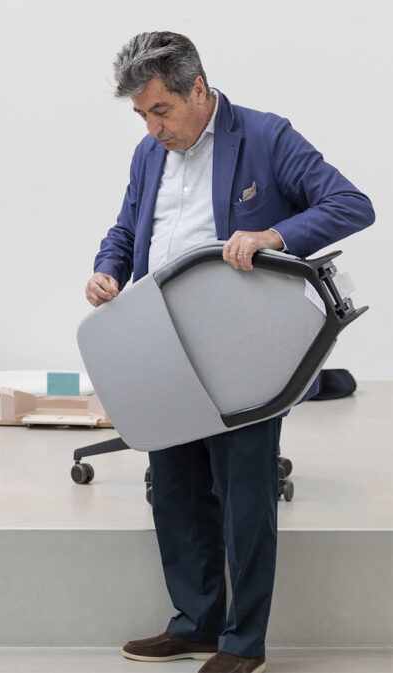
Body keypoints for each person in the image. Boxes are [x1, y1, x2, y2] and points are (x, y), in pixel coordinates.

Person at [86, 32, 374, 673]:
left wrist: (275, 233)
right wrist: (108, 267)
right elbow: (129, 227)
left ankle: (244, 643)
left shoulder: (266, 137)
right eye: (140, 114)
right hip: (162, 343)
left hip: (244, 350)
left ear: (197, 88)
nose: (152, 126)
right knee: (174, 490)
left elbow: (352, 204)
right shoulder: (147, 154)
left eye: (160, 110)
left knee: (243, 493)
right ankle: (196, 623)